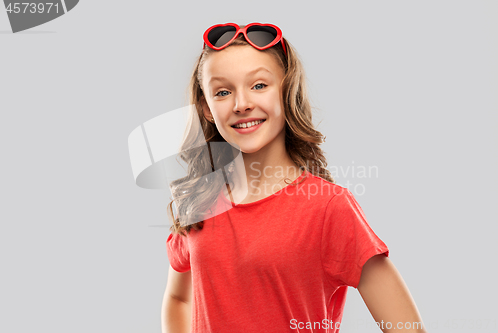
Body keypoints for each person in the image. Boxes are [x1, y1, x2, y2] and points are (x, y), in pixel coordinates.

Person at [161, 22, 427, 333]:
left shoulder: (329, 208)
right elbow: (179, 298)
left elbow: (406, 327)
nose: (241, 104)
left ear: (287, 91)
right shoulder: (200, 200)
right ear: (206, 108)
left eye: (259, 85)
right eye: (222, 91)